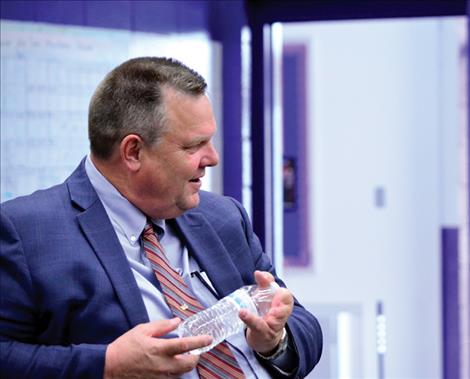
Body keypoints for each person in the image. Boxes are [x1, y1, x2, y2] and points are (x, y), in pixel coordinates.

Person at [0, 57, 322, 378]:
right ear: (134, 153)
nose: (213, 158)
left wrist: (275, 342)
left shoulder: (223, 217)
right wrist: (107, 366)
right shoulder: (25, 233)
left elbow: (302, 322)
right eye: (194, 145)